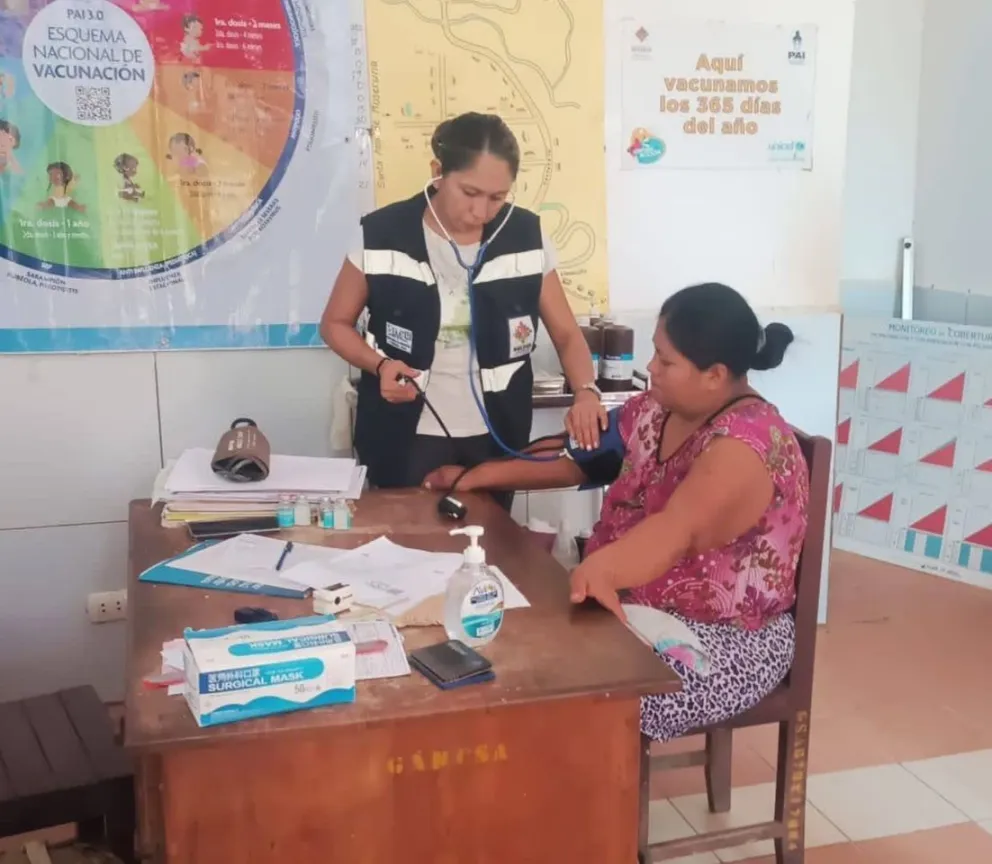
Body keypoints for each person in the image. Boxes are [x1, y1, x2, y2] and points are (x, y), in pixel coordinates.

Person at [424, 282, 810, 741]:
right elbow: (579, 460)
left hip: (727, 640)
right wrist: (477, 476)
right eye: (655, 352)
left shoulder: (745, 445)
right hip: (633, 607)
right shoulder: (657, 410)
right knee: (505, 649)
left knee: (579, 698)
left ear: (715, 375)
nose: (651, 368)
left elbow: (678, 529)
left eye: (665, 360)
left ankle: (578, 784)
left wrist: (601, 570)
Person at [320, 112, 606, 498]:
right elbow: (334, 323)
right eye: (470, 193)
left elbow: (567, 334)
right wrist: (380, 365)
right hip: (404, 432)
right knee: (407, 530)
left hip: (497, 433)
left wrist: (586, 391)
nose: (482, 211)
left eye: (497, 197)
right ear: (438, 172)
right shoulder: (380, 233)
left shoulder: (526, 236)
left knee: (488, 533)